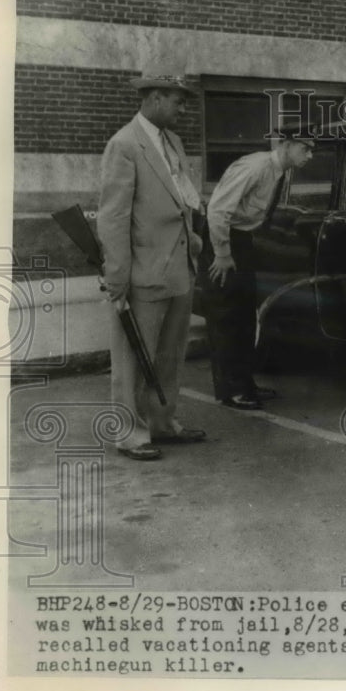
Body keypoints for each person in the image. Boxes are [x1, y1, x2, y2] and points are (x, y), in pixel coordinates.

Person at [97, 72, 207, 460]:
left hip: (178, 268)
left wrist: (192, 241)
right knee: (131, 359)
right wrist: (117, 276)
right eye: (178, 101)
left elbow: (182, 199)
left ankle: (162, 422)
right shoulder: (124, 145)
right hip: (142, 271)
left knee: (169, 354)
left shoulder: (172, 142)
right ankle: (130, 434)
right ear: (156, 98)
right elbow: (113, 218)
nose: (182, 109)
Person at [202, 121, 316, 410]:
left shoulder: (278, 171)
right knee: (227, 316)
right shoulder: (255, 167)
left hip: (241, 239)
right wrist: (223, 253)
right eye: (306, 148)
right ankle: (231, 390)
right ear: (286, 145)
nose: (310, 156)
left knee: (244, 314)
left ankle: (244, 382)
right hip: (222, 239)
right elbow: (216, 210)